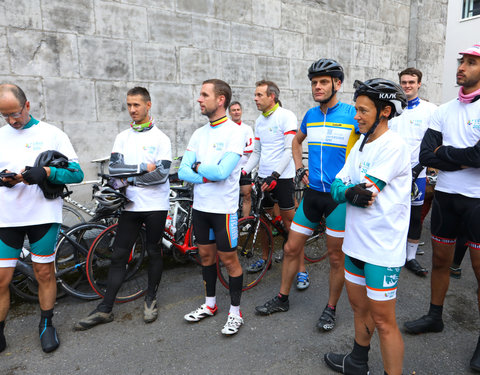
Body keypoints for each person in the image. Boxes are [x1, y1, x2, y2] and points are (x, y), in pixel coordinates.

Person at [255, 59, 359, 333]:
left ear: (338, 84)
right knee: (290, 247)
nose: (317, 87)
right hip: (313, 194)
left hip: (338, 199)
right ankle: (282, 298)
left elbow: (369, 147)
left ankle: (331, 308)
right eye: (314, 82)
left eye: (324, 82)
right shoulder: (311, 115)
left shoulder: (352, 114)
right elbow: (296, 141)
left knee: (336, 258)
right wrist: (300, 168)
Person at [323, 78, 409, 375]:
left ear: (385, 111)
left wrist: (347, 191)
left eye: (362, 110)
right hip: (355, 243)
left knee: (384, 321)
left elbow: (365, 194)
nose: (355, 116)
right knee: (359, 309)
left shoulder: (394, 145)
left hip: (381, 249)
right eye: (356, 109)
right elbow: (339, 186)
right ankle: (358, 361)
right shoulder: (361, 143)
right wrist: (346, 192)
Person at [404, 44, 480, 372]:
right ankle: (435, 316)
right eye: (461, 60)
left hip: (478, 201)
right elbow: (425, 156)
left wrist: (445, 153)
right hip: (447, 198)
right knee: (439, 263)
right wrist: (458, 158)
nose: (461, 66)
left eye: (471, 62)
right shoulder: (444, 110)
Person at [74, 87, 172, 330]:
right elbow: (115, 170)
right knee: (119, 255)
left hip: (155, 206)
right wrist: (142, 167)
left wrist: (130, 178)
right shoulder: (122, 137)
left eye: (136, 105)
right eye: (129, 105)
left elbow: (161, 175)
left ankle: (150, 299)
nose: (132, 109)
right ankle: (105, 309)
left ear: (148, 105)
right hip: (130, 205)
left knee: (153, 250)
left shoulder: (161, 138)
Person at [0, 83, 84, 353]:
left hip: (42, 216)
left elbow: (76, 173)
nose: (12, 121)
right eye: (5, 116)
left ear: (27, 105)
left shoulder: (52, 134)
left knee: (44, 272)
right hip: (7, 217)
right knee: (2, 278)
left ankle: (46, 324)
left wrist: (47, 173)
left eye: (16, 113)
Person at [179, 79, 246, 335]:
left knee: (229, 260)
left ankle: (235, 312)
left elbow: (223, 172)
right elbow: (184, 170)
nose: (199, 99)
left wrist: (199, 168)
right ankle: (210, 305)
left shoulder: (235, 132)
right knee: (206, 257)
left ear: (220, 100)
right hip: (201, 208)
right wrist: (205, 174)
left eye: (204, 95)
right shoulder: (199, 133)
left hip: (224, 210)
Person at [242, 81, 304, 281]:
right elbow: (257, 152)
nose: (255, 98)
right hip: (264, 178)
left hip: (282, 178)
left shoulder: (286, 116)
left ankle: (302, 268)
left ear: (272, 97)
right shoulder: (259, 120)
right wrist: (243, 171)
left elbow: (289, 150)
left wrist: (275, 174)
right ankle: (265, 258)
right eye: (255, 94)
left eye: (259, 95)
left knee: (290, 224)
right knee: (264, 221)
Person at [389, 67, 437, 276]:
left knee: (414, 216)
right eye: (404, 82)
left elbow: (435, 142)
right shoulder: (391, 108)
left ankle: (410, 257)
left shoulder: (430, 110)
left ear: (419, 84)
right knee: (391, 212)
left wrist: (423, 168)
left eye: (411, 82)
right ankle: (392, 252)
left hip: (417, 172)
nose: (407, 85)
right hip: (391, 173)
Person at [228, 101, 254, 218]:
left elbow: (252, 147)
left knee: (246, 195)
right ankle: (231, 220)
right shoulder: (226, 128)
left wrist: (235, 150)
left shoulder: (247, 129)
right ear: (229, 113)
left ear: (241, 111)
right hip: (229, 167)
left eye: (238, 109)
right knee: (230, 195)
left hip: (244, 167)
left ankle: (245, 222)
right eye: (234, 110)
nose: (236, 112)